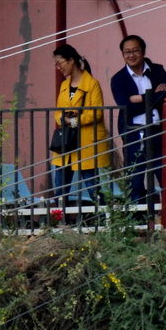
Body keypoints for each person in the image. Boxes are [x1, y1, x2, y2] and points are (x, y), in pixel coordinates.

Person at [108, 34, 166, 205]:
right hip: (133, 133)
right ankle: (139, 228)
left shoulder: (157, 70)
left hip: (159, 131)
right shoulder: (118, 79)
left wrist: (139, 98)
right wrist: (153, 95)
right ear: (123, 54)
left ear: (143, 51)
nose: (131, 55)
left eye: (135, 51)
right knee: (135, 183)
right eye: (127, 52)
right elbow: (126, 106)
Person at [50, 44, 113, 210]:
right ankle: (61, 224)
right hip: (66, 144)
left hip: (86, 143)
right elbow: (58, 113)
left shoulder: (92, 84)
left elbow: (96, 113)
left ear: (71, 61)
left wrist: (73, 121)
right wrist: (64, 118)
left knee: (93, 188)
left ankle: (104, 222)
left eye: (60, 63)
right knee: (60, 190)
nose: (58, 68)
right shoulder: (64, 85)